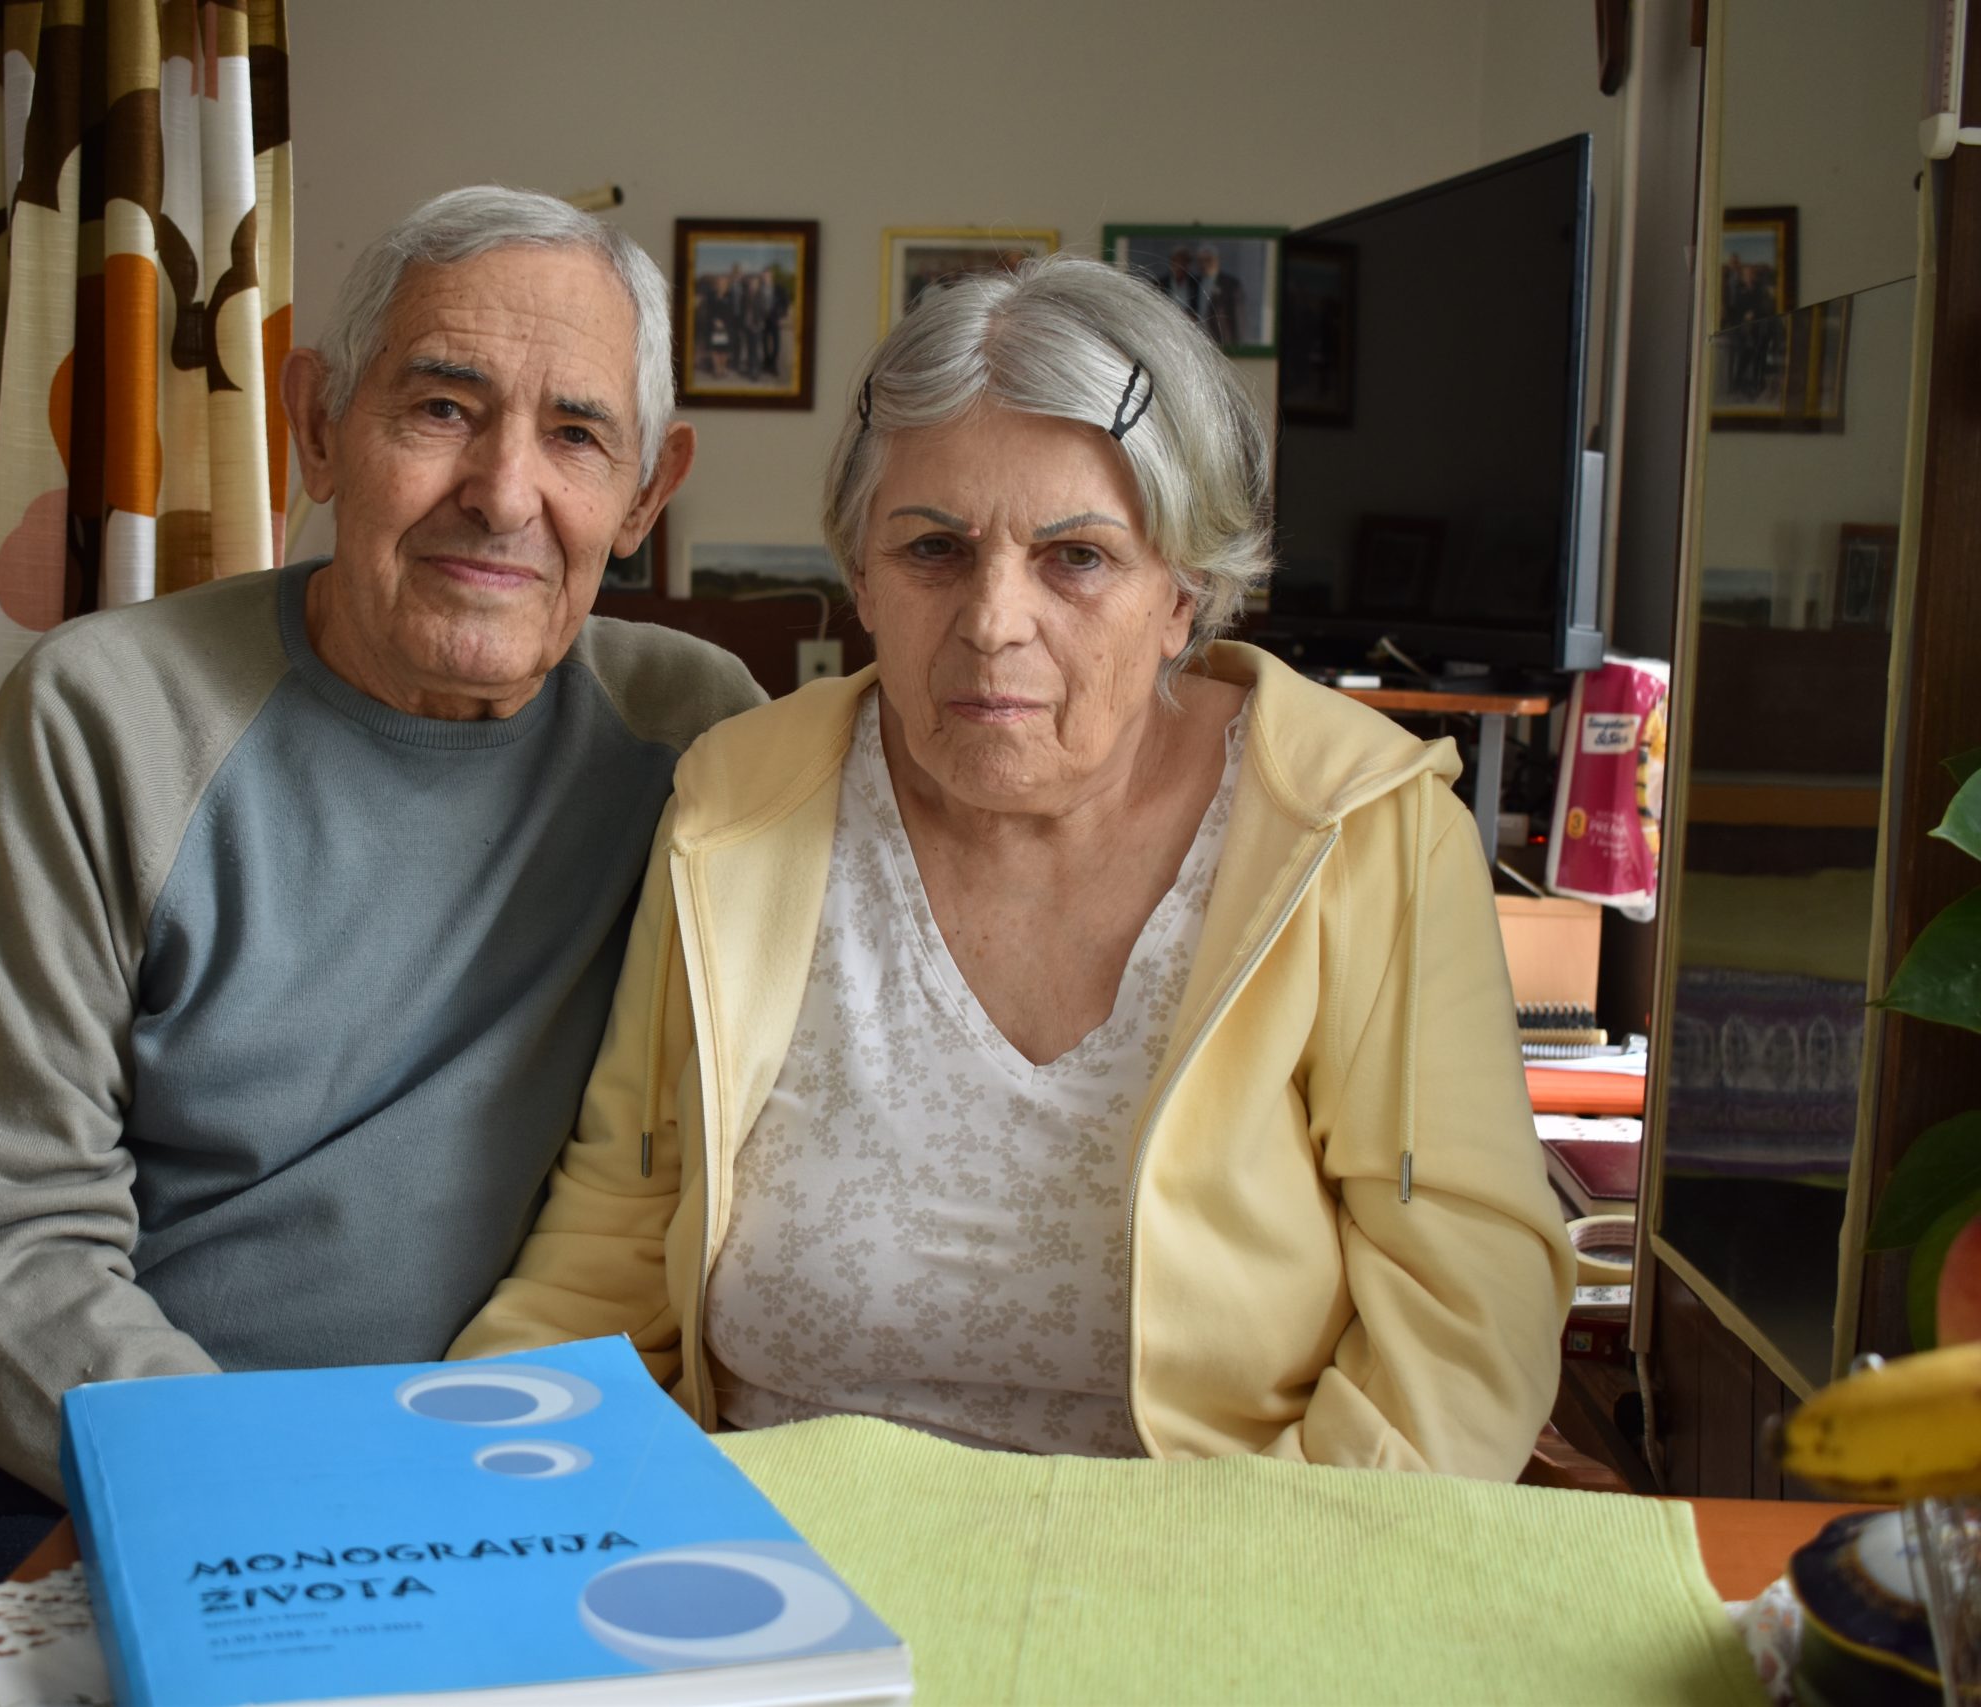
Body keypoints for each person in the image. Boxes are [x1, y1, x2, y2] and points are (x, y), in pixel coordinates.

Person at [0, 186, 763, 1700]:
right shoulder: (105, 718)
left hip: (475, 1487)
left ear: (646, 495)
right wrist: (287, 1499)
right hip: (61, 1450)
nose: (503, 493)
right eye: (441, 408)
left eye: (578, 435)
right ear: (316, 426)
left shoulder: (702, 743)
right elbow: (0, 1235)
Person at [455, 255, 1572, 1477]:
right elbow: (610, 1245)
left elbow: (1461, 1321)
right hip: (779, 1547)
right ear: (862, 577)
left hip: (1209, 1556)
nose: (993, 621)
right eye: (933, 550)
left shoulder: (1359, 831)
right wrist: (459, 1482)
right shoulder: (736, 809)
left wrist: (1260, 1575)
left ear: (1184, 595)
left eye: (1076, 558)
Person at [1194, 244, 1245, 347]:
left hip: (1221, 341)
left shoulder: (1230, 284)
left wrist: (1237, 345)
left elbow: (1237, 318)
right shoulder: (1194, 282)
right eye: (1201, 261)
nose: (1204, 264)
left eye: (1208, 260)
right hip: (1198, 341)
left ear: (1217, 260)